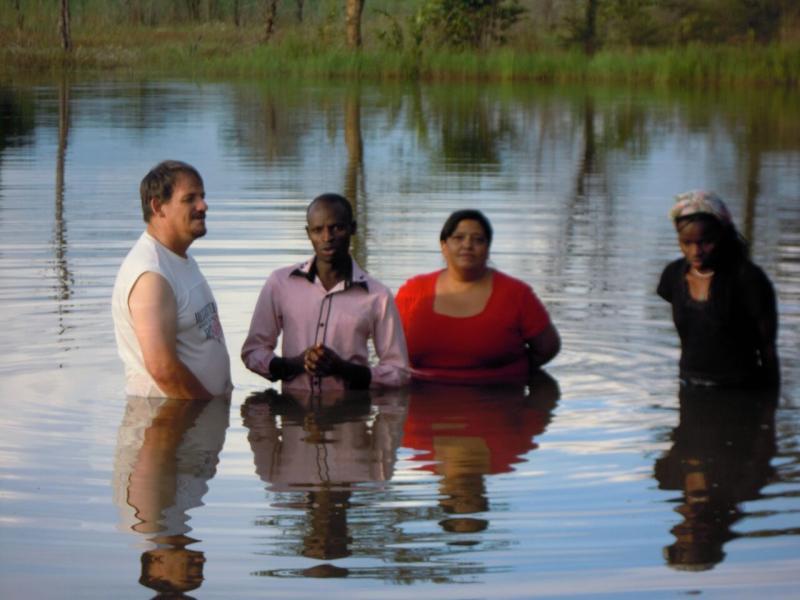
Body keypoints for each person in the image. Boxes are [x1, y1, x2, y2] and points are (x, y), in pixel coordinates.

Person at [241, 193, 409, 392]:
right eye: (318, 230)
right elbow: (253, 352)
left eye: (336, 228)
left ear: (352, 228)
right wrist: (294, 364)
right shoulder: (280, 284)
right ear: (308, 233)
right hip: (292, 414)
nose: (327, 238)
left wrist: (343, 369)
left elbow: (399, 372)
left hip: (350, 416)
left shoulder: (377, 296)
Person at [394, 209, 560, 384]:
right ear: (444, 246)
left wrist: (505, 378)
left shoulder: (517, 294)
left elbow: (547, 348)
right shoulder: (413, 291)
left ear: (488, 248)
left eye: (478, 239)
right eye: (458, 238)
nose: (467, 245)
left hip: (498, 400)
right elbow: (390, 351)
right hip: (420, 399)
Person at [112, 160, 232, 399]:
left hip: (193, 421)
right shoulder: (151, 276)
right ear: (158, 207)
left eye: (202, 196)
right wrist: (209, 410)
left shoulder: (177, 258)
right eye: (190, 199)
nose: (203, 206)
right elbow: (163, 370)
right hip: (167, 423)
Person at [657, 190, 779, 388]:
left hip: (741, 391)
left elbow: (768, 348)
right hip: (689, 386)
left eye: (706, 242)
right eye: (687, 243)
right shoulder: (672, 276)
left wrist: (769, 411)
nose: (696, 251)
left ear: (722, 236)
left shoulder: (747, 279)